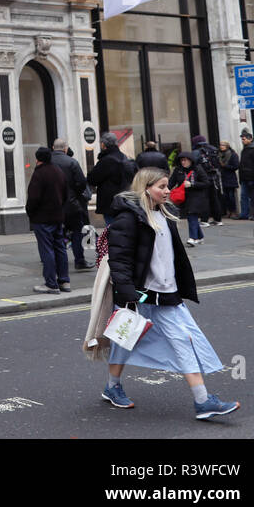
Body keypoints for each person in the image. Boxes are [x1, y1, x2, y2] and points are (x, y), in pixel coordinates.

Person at [99, 168, 239, 419]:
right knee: (125, 339)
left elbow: (171, 256)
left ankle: (203, 400)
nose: (167, 191)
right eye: (161, 187)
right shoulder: (128, 218)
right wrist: (128, 292)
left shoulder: (166, 213)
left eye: (167, 186)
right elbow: (119, 260)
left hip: (167, 294)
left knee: (183, 340)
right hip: (140, 294)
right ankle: (112, 386)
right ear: (146, 188)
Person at [26, 147, 69, 294]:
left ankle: (51, 283)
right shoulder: (58, 171)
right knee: (60, 248)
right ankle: (64, 281)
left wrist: (30, 213)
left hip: (42, 218)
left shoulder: (39, 174)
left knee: (47, 250)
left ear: (38, 159)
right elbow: (65, 194)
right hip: (57, 216)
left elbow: (33, 198)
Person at [51, 139, 93, 271]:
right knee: (76, 232)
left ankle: (57, 261)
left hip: (53, 205)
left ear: (53, 148)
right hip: (71, 204)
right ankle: (79, 261)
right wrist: (75, 194)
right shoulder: (72, 162)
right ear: (65, 148)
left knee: (56, 233)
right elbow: (81, 183)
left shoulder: (47, 162)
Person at [87, 132, 137, 220]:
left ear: (103, 144)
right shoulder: (124, 157)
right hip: (125, 200)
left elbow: (92, 179)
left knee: (112, 229)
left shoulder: (106, 160)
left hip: (110, 204)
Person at [169, 152, 208, 247]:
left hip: (196, 196)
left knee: (192, 215)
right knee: (191, 216)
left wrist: (192, 184)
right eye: (182, 160)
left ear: (191, 160)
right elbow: (171, 182)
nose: (183, 162)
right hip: (183, 197)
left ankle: (193, 238)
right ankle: (199, 236)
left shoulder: (198, 169)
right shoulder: (178, 170)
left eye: (185, 160)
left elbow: (206, 183)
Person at [190, 135, 223, 227]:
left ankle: (204, 220)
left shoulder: (196, 152)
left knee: (204, 199)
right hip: (213, 177)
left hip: (203, 177)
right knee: (214, 198)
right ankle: (218, 219)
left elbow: (193, 163)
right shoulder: (213, 149)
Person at [237, 131, 254, 218]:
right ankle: (244, 214)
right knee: (244, 196)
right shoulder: (244, 150)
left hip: (252, 178)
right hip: (245, 177)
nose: (242, 141)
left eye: (244, 139)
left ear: (250, 139)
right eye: (242, 139)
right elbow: (242, 165)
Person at [217, 140, 240, 219]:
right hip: (222, 177)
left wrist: (225, 166)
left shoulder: (232, 154)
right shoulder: (219, 154)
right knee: (225, 196)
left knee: (231, 196)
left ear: (227, 146)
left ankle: (233, 211)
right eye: (220, 145)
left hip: (230, 178)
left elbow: (236, 166)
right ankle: (228, 211)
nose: (221, 146)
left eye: (223, 145)